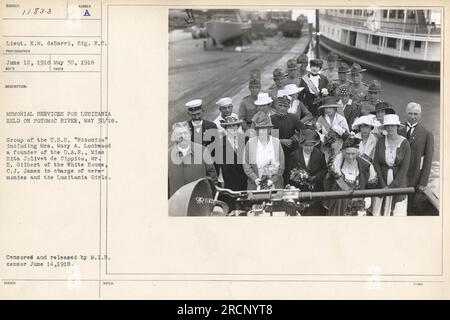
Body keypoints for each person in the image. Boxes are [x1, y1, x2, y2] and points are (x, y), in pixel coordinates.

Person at [326, 135, 378, 216]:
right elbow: (327, 184)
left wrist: (368, 197)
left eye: (353, 154)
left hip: (357, 204)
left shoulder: (365, 166)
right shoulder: (335, 166)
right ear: (343, 152)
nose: (350, 157)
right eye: (347, 154)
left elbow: (369, 185)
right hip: (339, 204)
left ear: (357, 152)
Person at [398, 102, 434, 215]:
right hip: (398, 175)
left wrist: (423, 182)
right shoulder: (398, 129)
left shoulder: (427, 133)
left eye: (415, 114)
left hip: (415, 177)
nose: (412, 117)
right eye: (410, 113)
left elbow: (428, 160)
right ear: (406, 113)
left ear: (420, 115)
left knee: (411, 208)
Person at [372, 114, 411, 216]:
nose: (390, 128)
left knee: (397, 211)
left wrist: (392, 186)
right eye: (387, 126)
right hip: (382, 180)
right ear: (384, 128)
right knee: (378, 210)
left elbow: (405, 167)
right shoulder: (380, 142)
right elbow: (376, 162)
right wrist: (382, 183)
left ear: (397, 127)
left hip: (398, 181)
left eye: (392, 125)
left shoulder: (405, 143)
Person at [168, 122, 218, 198]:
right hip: (177, 202)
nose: (183, 136)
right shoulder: (167, 155)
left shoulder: (202, 150)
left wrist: (210, 197)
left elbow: (212, 176)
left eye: (185, 133)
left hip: (200, 202)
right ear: (174, 136)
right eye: (179, 134)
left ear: (190, 133)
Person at [288, 129, 327, 215]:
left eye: (311, 145)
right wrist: (297, 177)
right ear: (301, 144)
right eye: (306, 145)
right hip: (300, 191)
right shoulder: (294, 155)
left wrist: (316, 177)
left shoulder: (319, 154)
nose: (309, 148)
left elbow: (324, 170)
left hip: (315, 191)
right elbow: (290, 172)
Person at [243, 111, 284, 190]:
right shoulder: (250, 143)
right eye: (259, 129)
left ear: (269, 129)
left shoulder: (276, 142)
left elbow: (281, 166)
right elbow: (246, 165)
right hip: (256, 183)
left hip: (274, 183)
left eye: (264, 129)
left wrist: (272, 181)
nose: (262, 132)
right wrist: (255, 178)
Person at [215, 115, 248, 210]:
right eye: (229, 127)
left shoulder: (245, 140)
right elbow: (220, 167)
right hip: (231, 181)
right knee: (234, 207)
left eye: (234, 126)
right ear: (225, 129)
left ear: (238, 127)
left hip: (246, 180)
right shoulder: (220, 144)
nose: (232, 128)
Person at [316, 96, 350, 162]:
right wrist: (324, 137)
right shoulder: (321, 118)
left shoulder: (341, 119)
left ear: (334, 108)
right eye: (326, 108)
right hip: (325, 147)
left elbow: (347, 135)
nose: (327, 110)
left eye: (330, 107)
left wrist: (337, 129)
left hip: (339, 147)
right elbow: (317, 132)